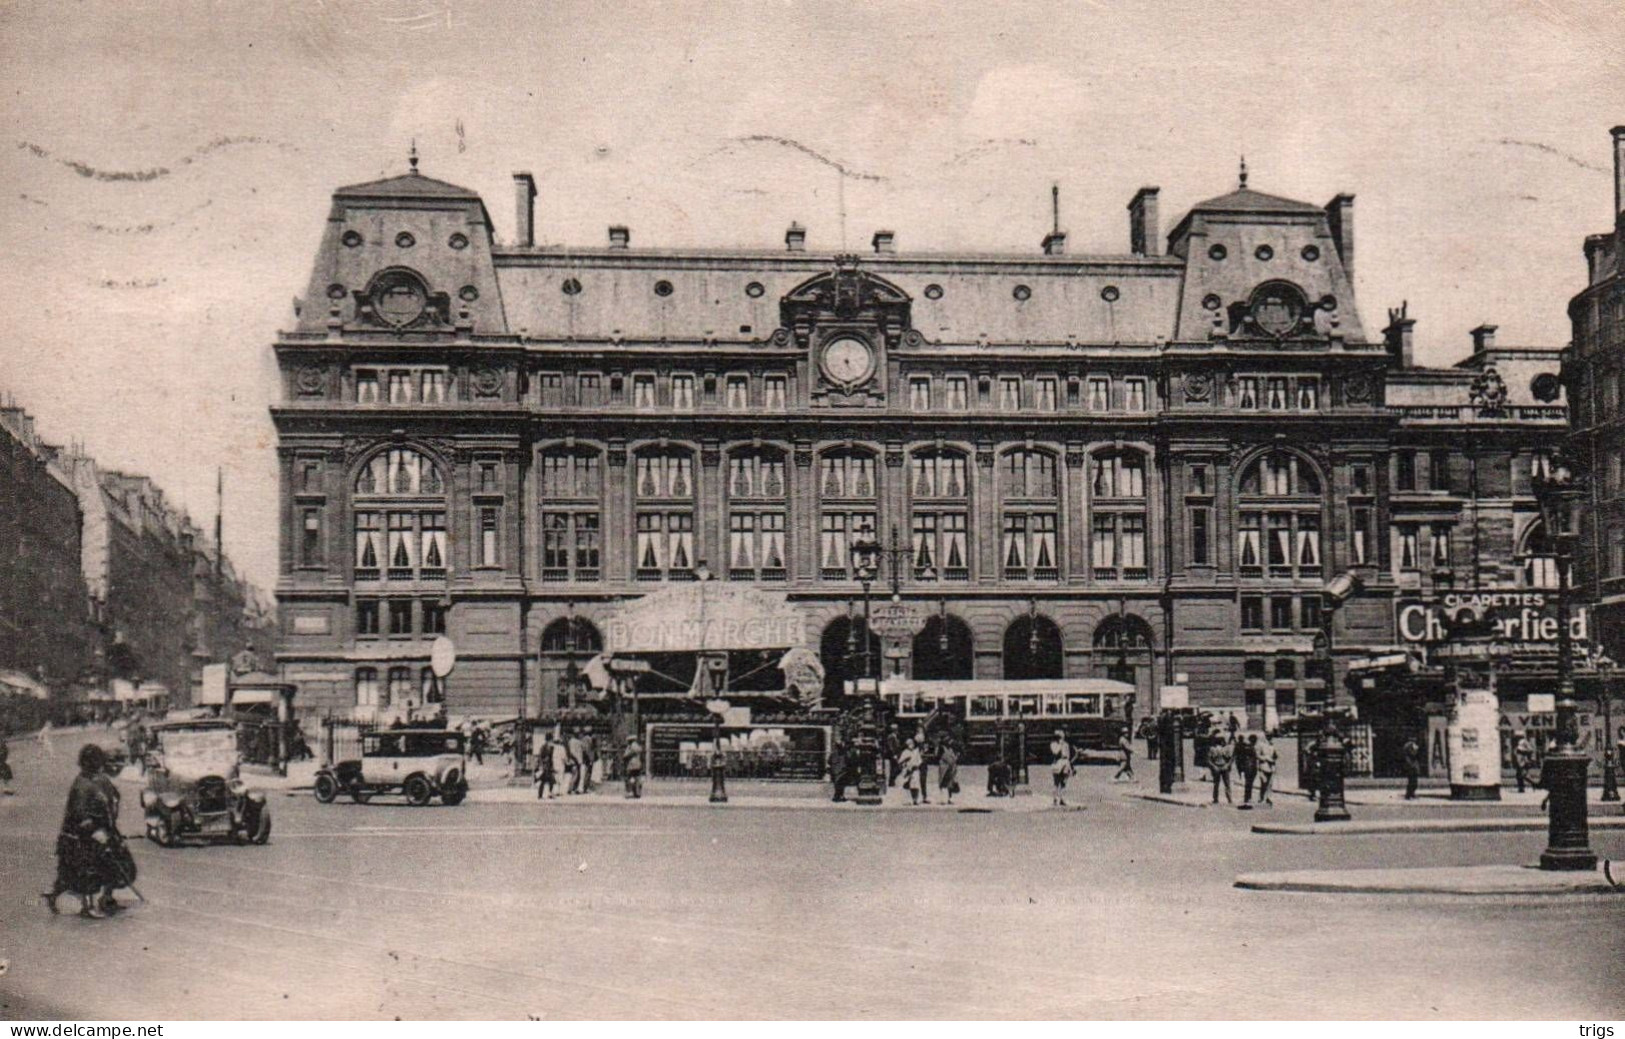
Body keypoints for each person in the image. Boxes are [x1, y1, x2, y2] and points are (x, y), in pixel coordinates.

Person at [44, 745, 128, 918]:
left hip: (104, 829)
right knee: (85, 869)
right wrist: (94, 830)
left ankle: (107, 899)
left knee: (113, 864)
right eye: (97, 762)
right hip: (82, 835)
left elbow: (113, 797)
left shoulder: (99, 779)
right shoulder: (81, 784)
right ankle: (86, 906)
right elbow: (79, 812)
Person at [1049, 730, 1075, 807]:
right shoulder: (1053, 744)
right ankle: (1055, 799)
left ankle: (1062, 798)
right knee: (1056, 782)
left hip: (1065, 762)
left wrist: (1071, 766)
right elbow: (1055, 752)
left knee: (1064, 782)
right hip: (1057, 762)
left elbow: (1068, 755)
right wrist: (1060, 745)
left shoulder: (1066, 744)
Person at [1207, 734, 1234, 805]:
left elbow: (1230, 759)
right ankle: (1215, 798)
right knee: (1216, 784)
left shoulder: (1226, 748)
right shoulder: (1212, 749)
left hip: (1224, 766)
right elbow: (1209, 760)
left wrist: (1227, 765)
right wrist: (1214, 766)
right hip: (1217, 767)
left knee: (1226, 783)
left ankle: (1229, 798)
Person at [898, 738, 924, 805]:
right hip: (907, 771)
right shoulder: (905, 752)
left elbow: (919, 761)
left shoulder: (916, 752)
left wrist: (916, 766)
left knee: (915, 786)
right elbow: (900, 761)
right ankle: (907, 800)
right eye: (909, 744)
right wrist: (906, 761)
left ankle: (915, 799)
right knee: (907, 785)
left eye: (912, 743)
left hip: (915, 770)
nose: (911, 745)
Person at [1255, 733, 1278, 806]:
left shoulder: (1272, 745)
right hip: (1263, 766)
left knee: (1270, 784)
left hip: (1271, 767)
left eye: (1271, 736)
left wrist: (1274, 758)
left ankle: (1268, 797)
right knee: (1264, 782)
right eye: (1268, 736)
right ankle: (1261, 797)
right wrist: (1265, 758)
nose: (1270, 737)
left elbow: (1275, 755)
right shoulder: (1261, 745)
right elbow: (1257, 755)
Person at [1235, 733, 1257, 803]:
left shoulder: (1247, 746)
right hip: (1250, 767)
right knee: (1249, 783)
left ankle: (1248, 797)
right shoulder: (1249, 747)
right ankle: (1247, 797)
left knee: (1249, 783)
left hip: (1250, 767)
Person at [937, 740, 960, 805]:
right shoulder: (943, 750)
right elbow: (949, 760)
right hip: (945, 769)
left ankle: (948, 798)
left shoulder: (951, 750)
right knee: (944, 784)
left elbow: (953, 760)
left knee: (949, 784)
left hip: (950, 769)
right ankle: (943, 799)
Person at [535, 733, 557, 799]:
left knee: (551, 781)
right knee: (543, 781)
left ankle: (549, 794)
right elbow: (540, 757)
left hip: (549, 766)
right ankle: (540, 795)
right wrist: (541, 765)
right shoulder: (543, 747)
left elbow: (551, 758)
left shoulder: (551, 747)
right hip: (545, 767)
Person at [829, 738, 850, 803]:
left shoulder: (834, 753)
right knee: (841, 784)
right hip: (841, 770)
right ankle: (839, 796)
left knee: (837, 784)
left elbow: (829, 761)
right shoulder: (844, 753)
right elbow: (848, 761)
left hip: (836, 770)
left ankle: (837, 796)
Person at [1401, 735, 1422, 800]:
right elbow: (1413, 754)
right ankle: (1409, 795)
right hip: (1411, 766)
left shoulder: (1407, 745)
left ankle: (1411, 794)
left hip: (1410, 765)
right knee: (1413, 781)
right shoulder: (1410, 745)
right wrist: (1416, 749)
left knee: (1412, 781)